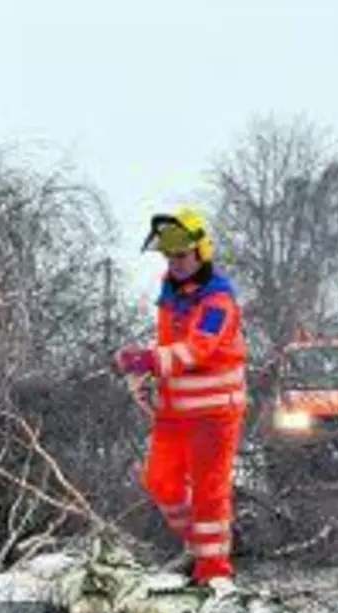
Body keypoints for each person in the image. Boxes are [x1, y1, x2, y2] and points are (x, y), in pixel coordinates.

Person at [113, 207, 248, 586]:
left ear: (201, 252)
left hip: (215, 414)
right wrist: (144, 374)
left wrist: (148, 359)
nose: (176, 264)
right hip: (174, 412)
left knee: (209, 493)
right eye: (170, 256)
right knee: (160, 482)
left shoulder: (218, 301)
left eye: (182, 256)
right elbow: (171, 349)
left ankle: (214, 572)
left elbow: (196, 350)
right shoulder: (170, 292)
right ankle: (199, 547)